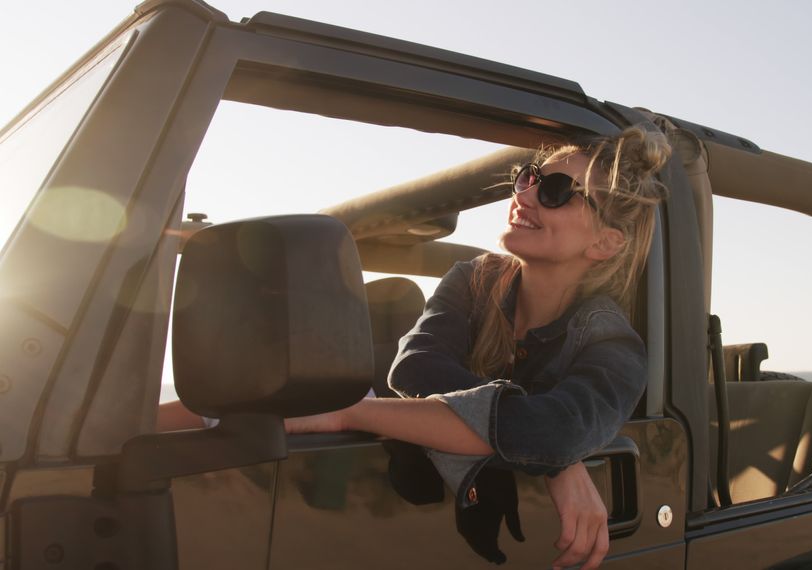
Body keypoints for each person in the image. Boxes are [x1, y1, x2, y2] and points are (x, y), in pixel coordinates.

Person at [162, 125, 671, 569]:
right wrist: (550, 456)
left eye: (558, 190)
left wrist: (351, 416)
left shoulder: (612, 344)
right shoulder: (473, 280)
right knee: (228, 398)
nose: (528, 195)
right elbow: (415, 370)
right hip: (354, 401)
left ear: (606, 243)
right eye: (529, 177)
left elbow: (554, 431)